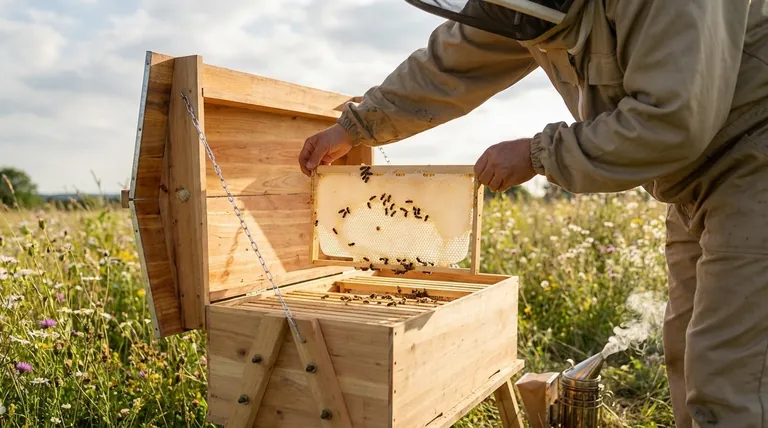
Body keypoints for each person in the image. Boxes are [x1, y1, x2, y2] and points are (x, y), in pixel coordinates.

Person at [297, 1, 768, 426]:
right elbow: (449, 65)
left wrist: (537, 154)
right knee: (688, 356)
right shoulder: (525, 7)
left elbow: (672, 121)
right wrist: (355, 127)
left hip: (753, 163)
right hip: (690, 183)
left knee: (729, 380)